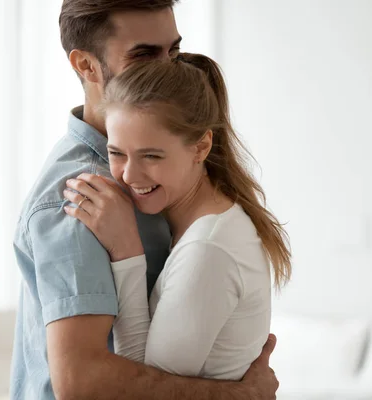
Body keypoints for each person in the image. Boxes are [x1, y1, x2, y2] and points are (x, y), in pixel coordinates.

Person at [10, 1, 281, 399]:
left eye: (172, 51)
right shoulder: (81, 198)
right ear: (87, 66)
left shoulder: (171, 183)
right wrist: (239, 395)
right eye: (144, 55)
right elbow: (81, 382)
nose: (168, 69)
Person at [63, 52, 292, 381]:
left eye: (151, 156)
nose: (129, 175)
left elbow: (147, 387)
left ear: (201, 147)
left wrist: (125, 249)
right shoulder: (203, 226)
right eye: (116, 153)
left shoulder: (208, 249)